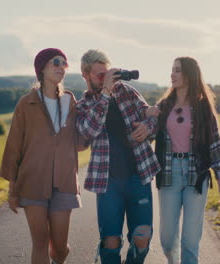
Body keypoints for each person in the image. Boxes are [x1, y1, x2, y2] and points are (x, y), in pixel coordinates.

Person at [0, 48, 83, 264]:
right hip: (33, 182)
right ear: (42, 68)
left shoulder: (70, 101)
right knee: (40, 242)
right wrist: (13, 189)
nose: (61, 67)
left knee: (59, 248)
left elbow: (80, 142)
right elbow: (14, 147)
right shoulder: (26, 104)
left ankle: (60, 255)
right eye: (56, 62)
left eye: (64, 63)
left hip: (64, 182)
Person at [76, 49, 161, 264]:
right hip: (108, 182)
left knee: (142, 237)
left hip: (138, 176)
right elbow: (88, 132)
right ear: (85, 75)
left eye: (107, 73)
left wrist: (146, 126)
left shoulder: (126, 91)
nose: (105, 79)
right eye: (99, 75)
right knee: (110, 241)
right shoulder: (84, 105)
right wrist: (105, 94)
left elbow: (150, 115)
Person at [146, 56, 220, 264]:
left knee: (191, 241)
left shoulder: (203, 108)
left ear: (189, 75)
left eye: (177, 70)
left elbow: (215, 147)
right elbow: (147, 135)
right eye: (172, 69)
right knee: (167, 240)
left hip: (196, 176)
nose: (172, 74)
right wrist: (147, 116)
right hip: (168, 174)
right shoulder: (164, 106)